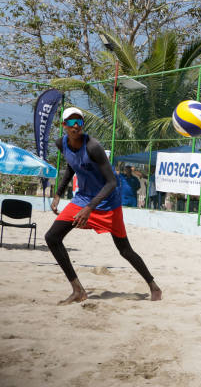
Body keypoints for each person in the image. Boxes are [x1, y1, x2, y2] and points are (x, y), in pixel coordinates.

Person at [45, 107, 162, 305]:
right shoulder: (61, 143)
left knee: (124, 250)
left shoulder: (93, 147)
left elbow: (111, 182)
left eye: (79, 122)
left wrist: (89, 208)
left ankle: (153, 286)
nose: (75, 126)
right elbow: (71, 167)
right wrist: (58, 193)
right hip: (82, 199)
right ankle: (78, 290)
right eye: (71, 122)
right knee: (52, 237)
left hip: (107, 203)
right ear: (63, 125)